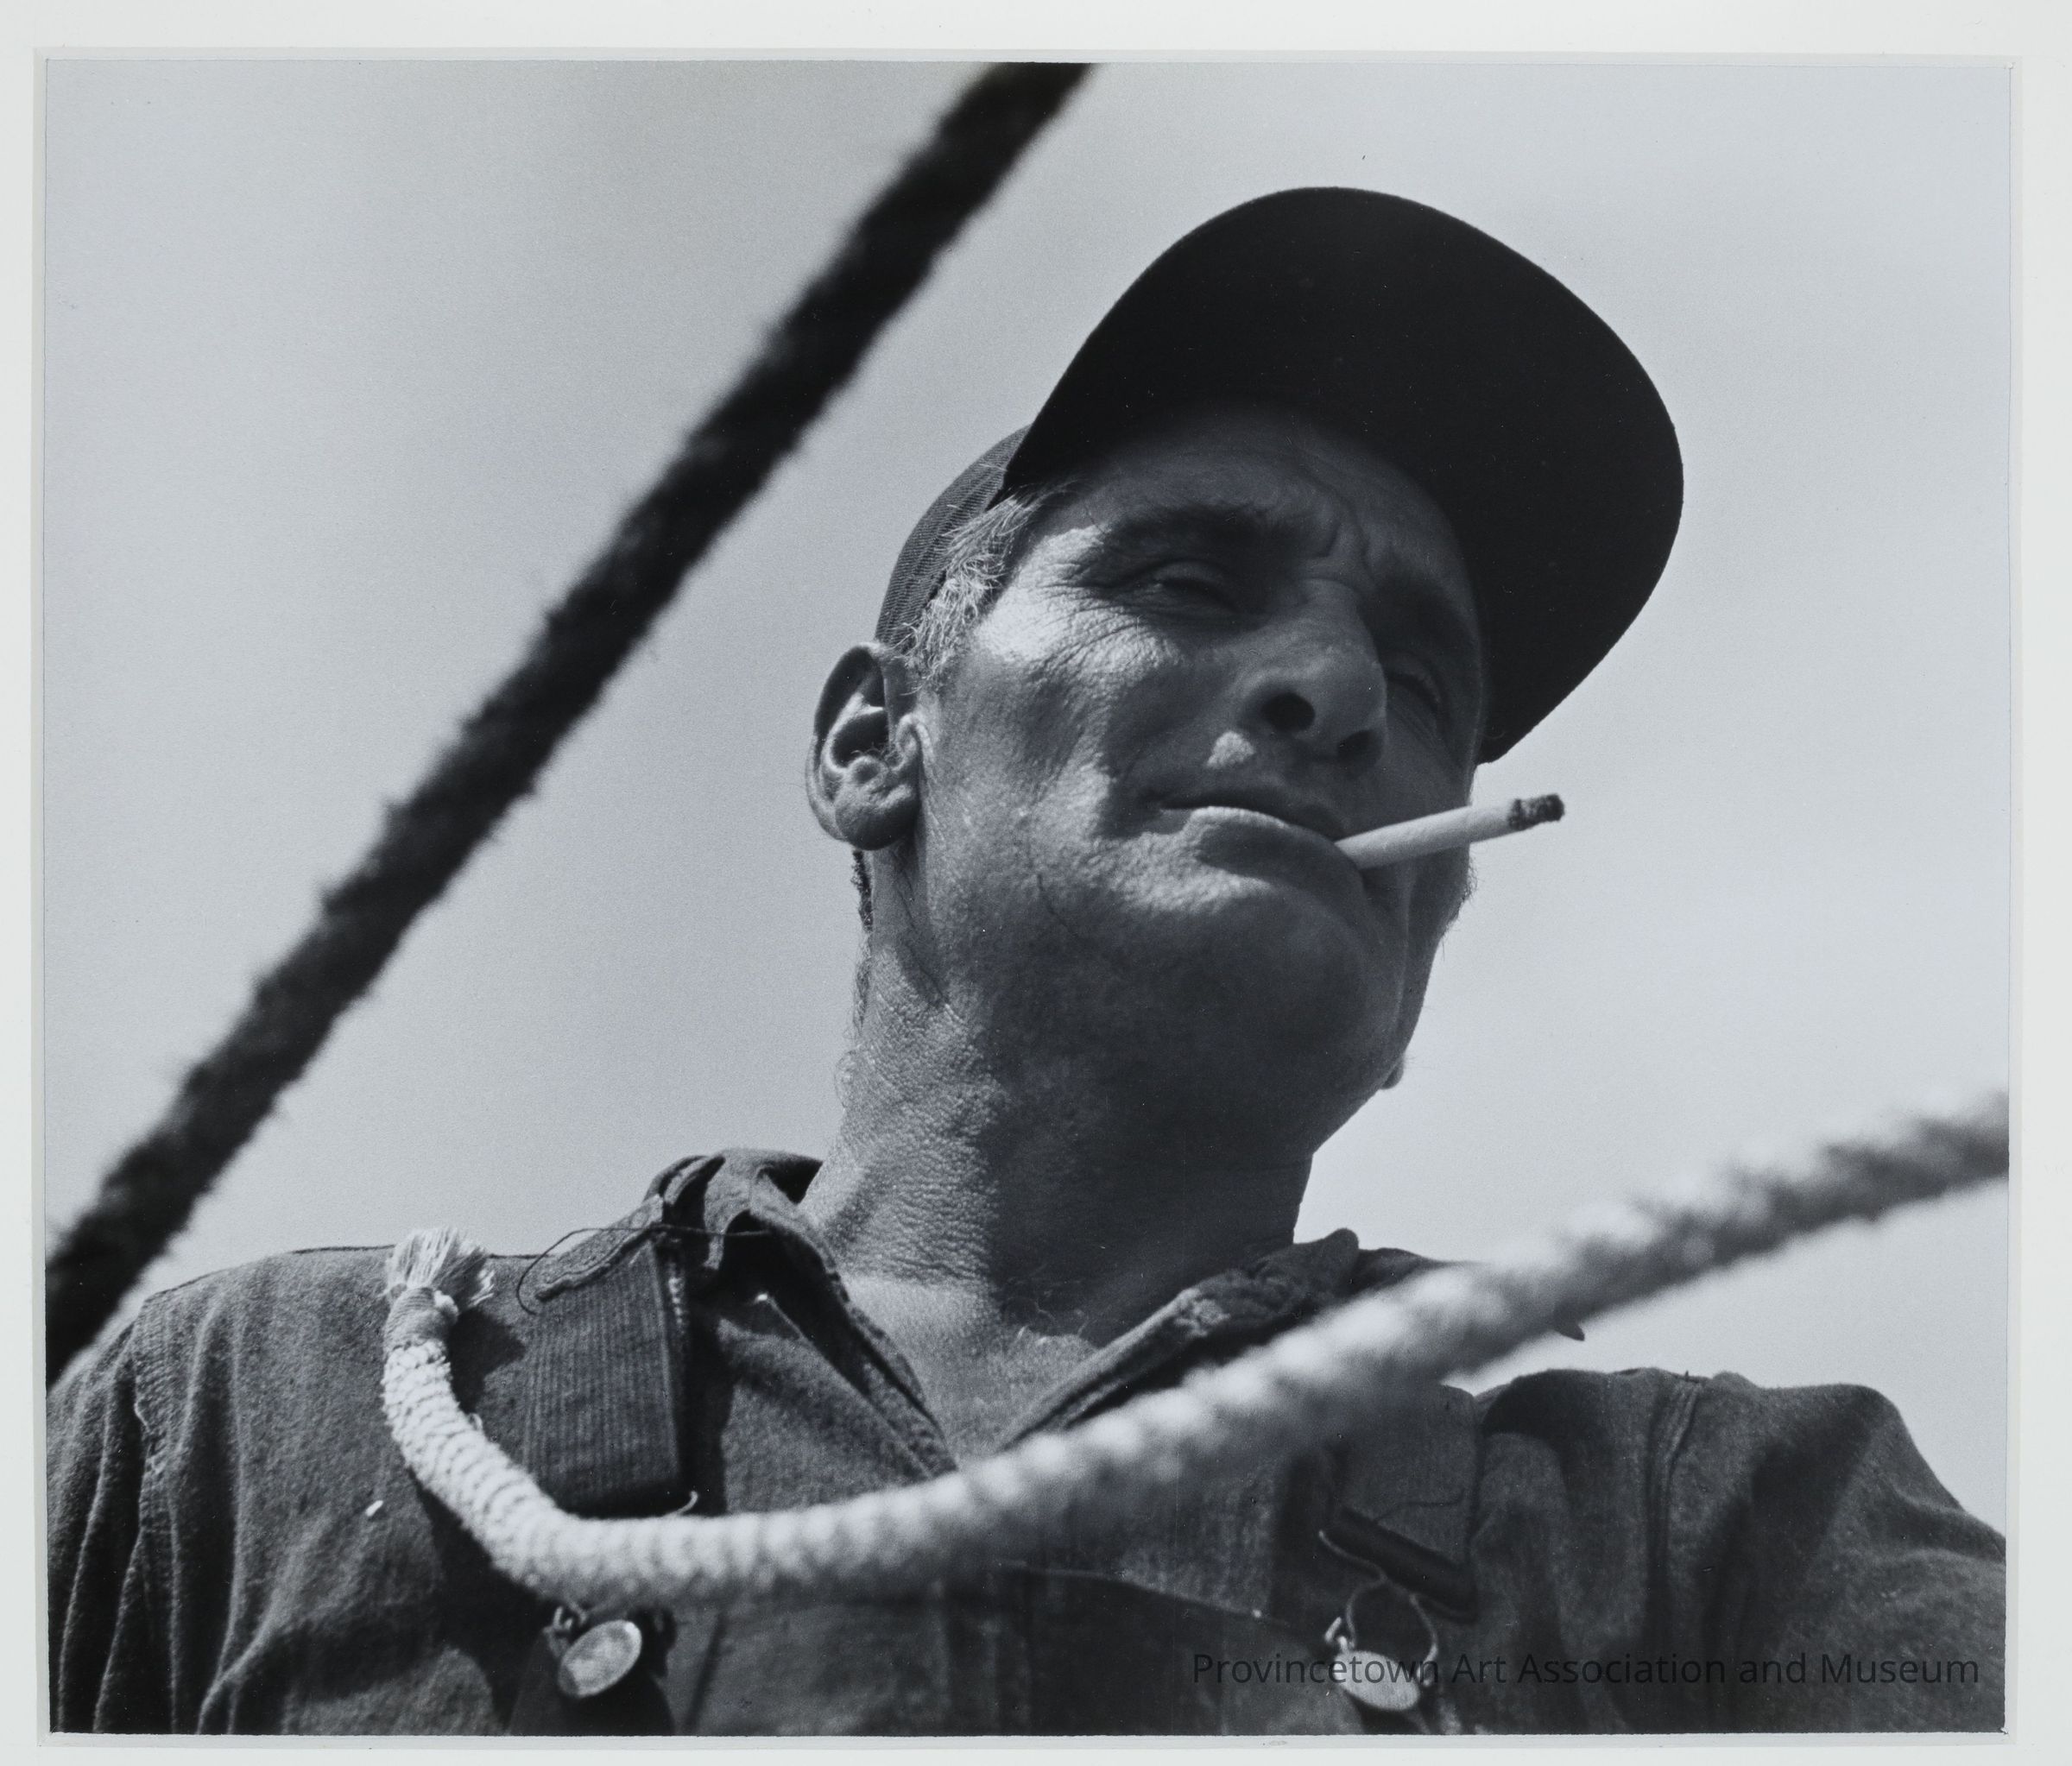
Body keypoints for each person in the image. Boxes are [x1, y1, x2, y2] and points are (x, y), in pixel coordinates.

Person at [46, 188, 2004, 1736]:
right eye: (1191, 579)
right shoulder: (236, 1424)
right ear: (870, 744)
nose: (1338, 690)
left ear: (1434, 918)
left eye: (1425, 684)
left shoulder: (1729, 1538)